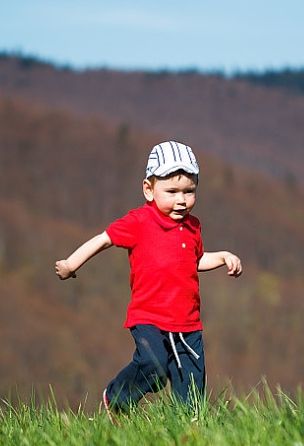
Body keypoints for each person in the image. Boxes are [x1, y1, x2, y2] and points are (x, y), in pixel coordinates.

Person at [54, 141, 242, 422]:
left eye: (189, 192)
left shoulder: (193, 226)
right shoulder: (139, 222)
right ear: (148, 190)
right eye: (172, 192)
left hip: (188, 323)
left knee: (191, 385)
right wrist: (71, 264)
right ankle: (116, 398)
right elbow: (104, 240)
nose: (182, 200)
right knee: (153, 367)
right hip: (149, 318)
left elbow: (193, 260)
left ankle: (187, 430)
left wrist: (223, 257)